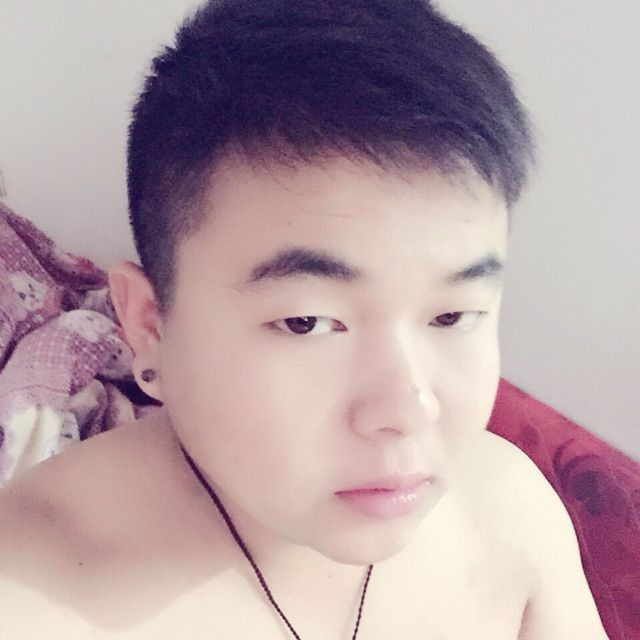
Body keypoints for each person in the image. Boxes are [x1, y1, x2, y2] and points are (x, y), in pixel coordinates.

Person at [0, 0, 609, 638]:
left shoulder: (510, 510)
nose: (406, 410)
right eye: (307, 323)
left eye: (453, 314)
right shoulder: (29, 601)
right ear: (150, 326)